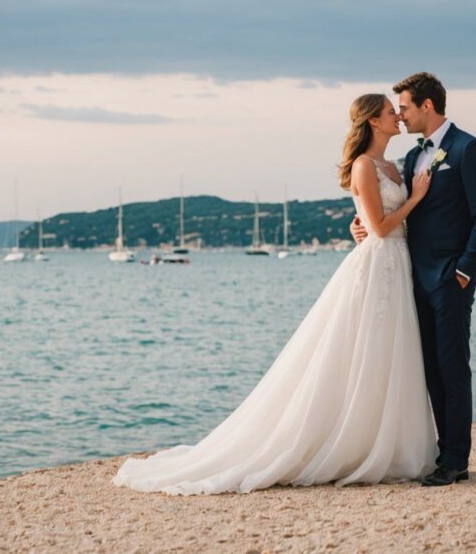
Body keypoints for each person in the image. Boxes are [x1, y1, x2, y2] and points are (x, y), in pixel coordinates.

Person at [113, 94, 437, 495]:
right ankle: (349, 444)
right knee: (361, 351)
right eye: (391, 111)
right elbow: (380, 226)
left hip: (396, 264)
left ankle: (387, 443)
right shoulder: (363, 165)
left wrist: (393, 212)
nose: (397, 117)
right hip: (377, 263)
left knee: (390, 353)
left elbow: (380, 222)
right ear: (373, 121)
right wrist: (415, 199)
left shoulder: (395, 165)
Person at [351, 72, 476, 487]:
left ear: (427, 106)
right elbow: (388, 205)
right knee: (429, 371)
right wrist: (359, 224)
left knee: (453, 370)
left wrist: (465, 271)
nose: (400, 114)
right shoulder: (413, 158)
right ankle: (442, 453)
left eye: (406, 107)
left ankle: (456, 461)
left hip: (451, 279)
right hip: (410, 279)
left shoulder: (469, 149)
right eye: (395, 109)